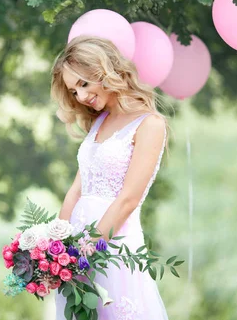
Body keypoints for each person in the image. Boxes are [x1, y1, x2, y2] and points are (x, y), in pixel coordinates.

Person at [50, 35, 169, 319]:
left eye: (83, 83)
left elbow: (128, 199)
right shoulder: (98, 122)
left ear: (105, 71)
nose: (80, 96)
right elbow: (76, 191)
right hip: (76, 253)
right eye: (73, 90)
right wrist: (56, 247)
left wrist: (88, 249)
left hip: (112, 250)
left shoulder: (150, 124)